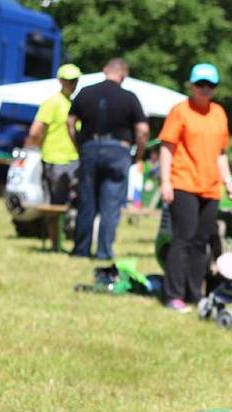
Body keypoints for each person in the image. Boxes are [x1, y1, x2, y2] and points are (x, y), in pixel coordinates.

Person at [158, 62, 232, 313]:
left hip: (211, 187)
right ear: (192, 85)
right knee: (183, 238)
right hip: (183, 182)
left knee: (201, 242)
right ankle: (173, 295)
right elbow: (166, 147)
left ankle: (195, 295)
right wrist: (165, 181)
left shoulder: (219, 113)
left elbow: (221, 154)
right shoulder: (180, 111)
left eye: (210, 85)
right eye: (200, 84)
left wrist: (229, 182)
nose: (205, 89)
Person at [67, 58, 149, 260]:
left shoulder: (85, 92)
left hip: (90, 148)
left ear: (105, 70)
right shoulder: (129, 97)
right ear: (124, 75)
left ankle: (81, 250)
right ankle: (104, 252)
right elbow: (143, 130)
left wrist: (79, 145)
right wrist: (138, 155)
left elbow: (69, 123)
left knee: (87, 202)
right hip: (118, 151)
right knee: (110, 206)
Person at [25, 63, 82, 248]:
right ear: (60, 81)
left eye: (75, 80)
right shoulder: (52, 103)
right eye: (69, 80)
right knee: (55, 205)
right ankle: (56, 244)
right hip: (53, 160)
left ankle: (66, 242)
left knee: (70, 204)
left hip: (73, 159)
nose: (72, 84)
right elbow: (35, 131)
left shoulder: (75, 104)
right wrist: (33, 149)